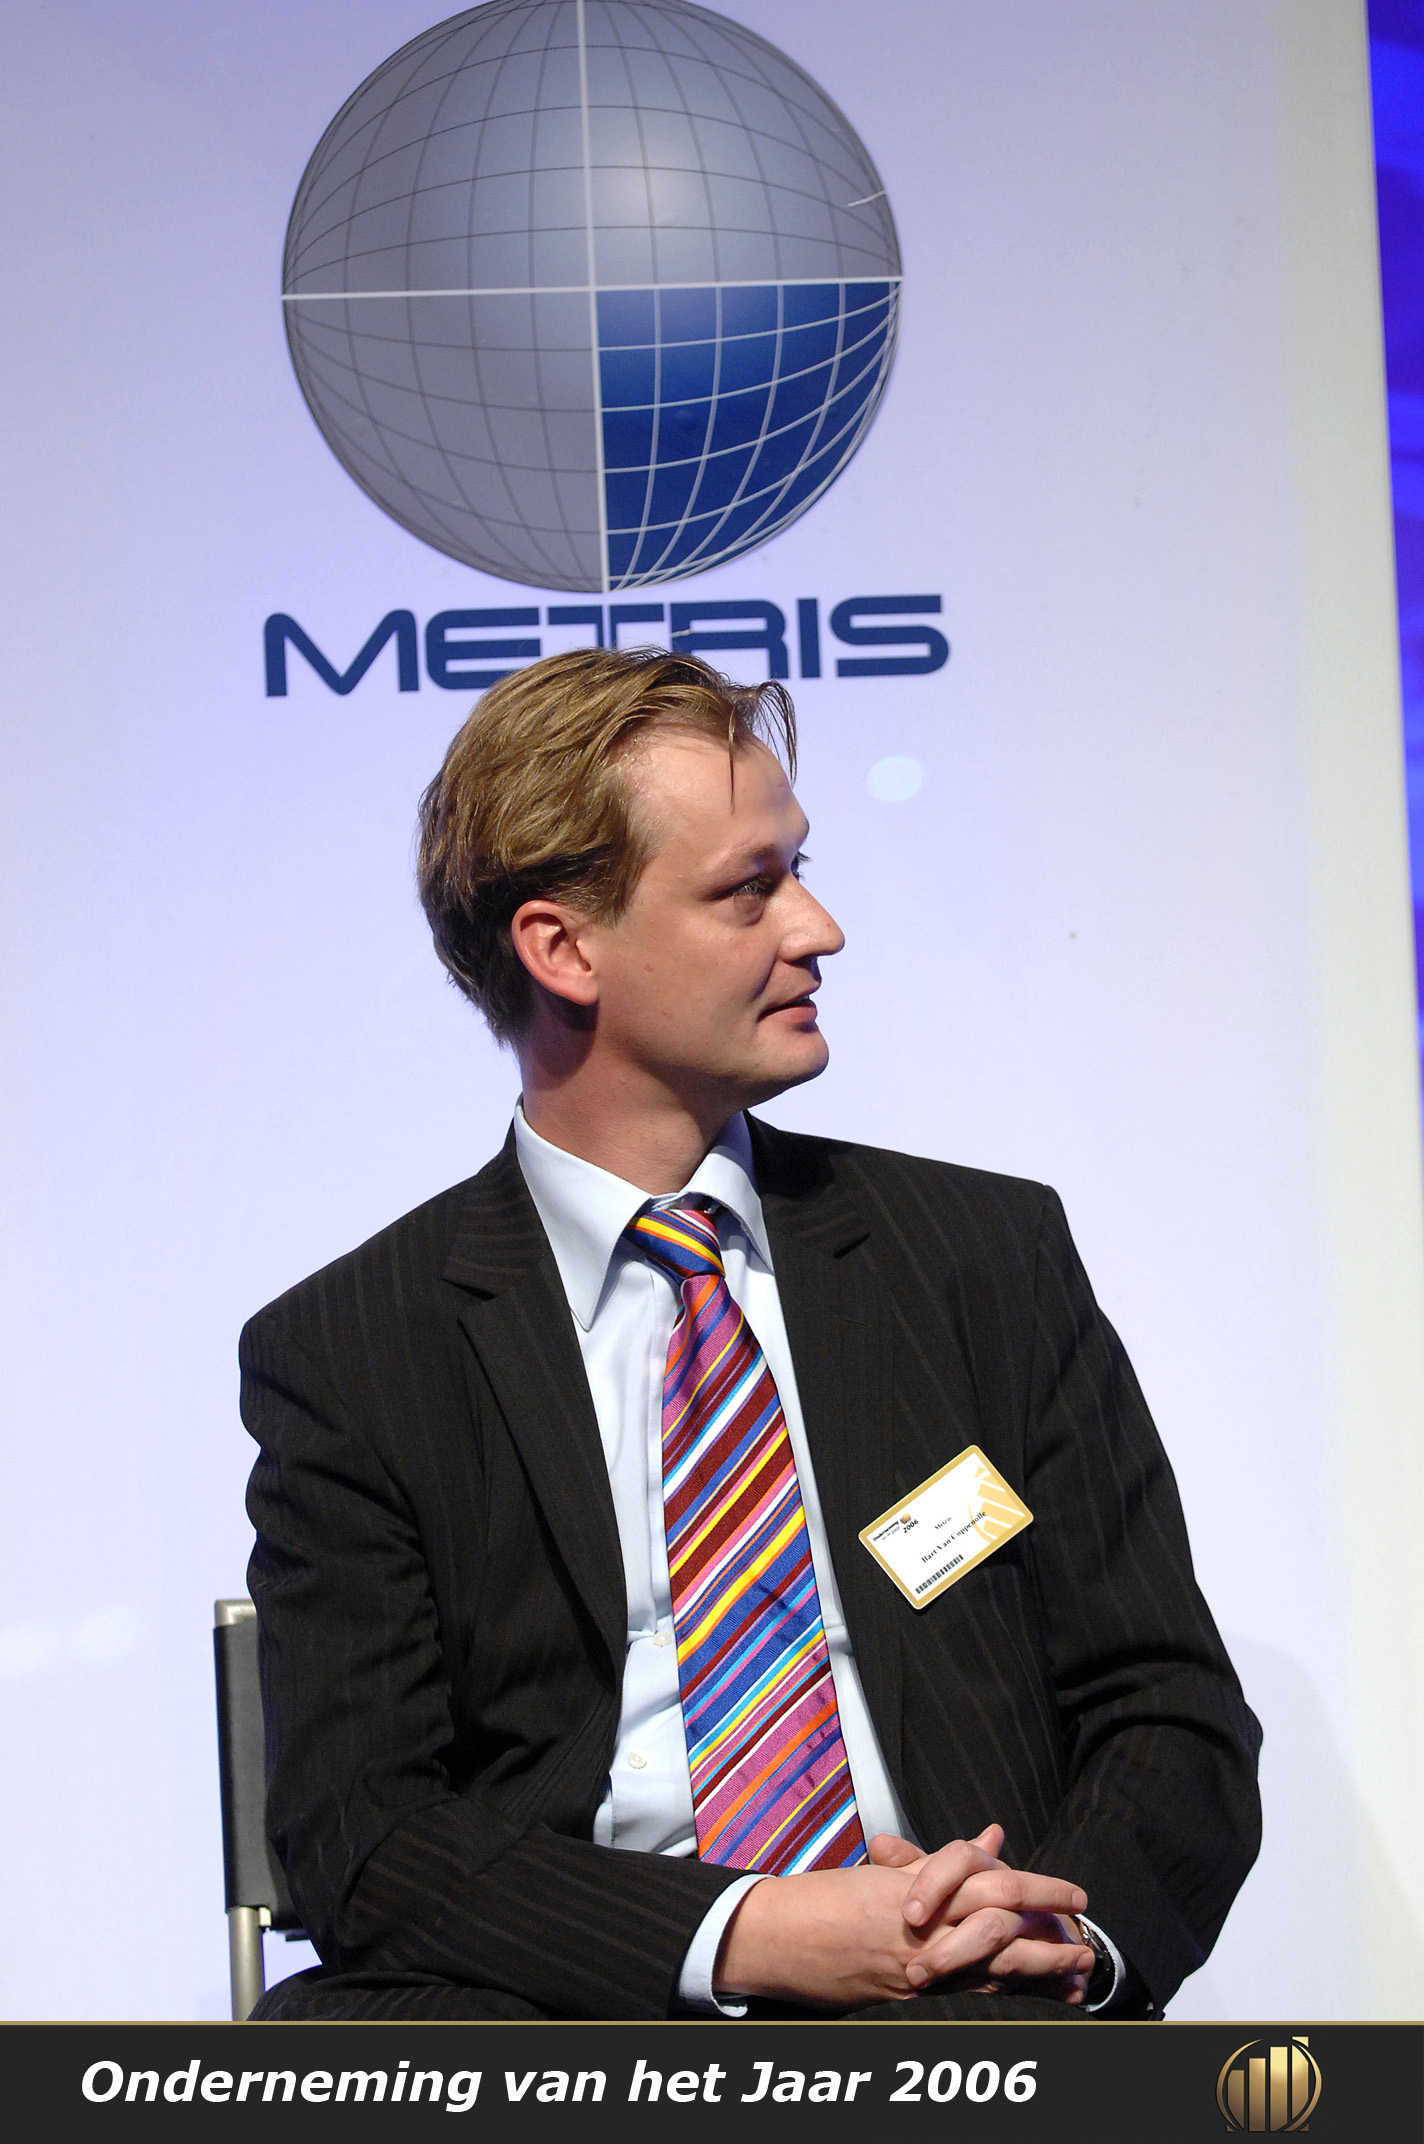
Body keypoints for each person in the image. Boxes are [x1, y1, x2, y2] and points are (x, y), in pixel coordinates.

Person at [241, 648, 1260, 2022]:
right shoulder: (358, 1350)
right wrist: (748, 1934)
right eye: (748, 889)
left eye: (800, 869)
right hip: (582, 2022)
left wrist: (1062, 1937)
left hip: (968, 2005)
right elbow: (360, 1834)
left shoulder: (979, 1258)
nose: (819, 928)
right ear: (562, 948)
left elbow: (1167, 1705)